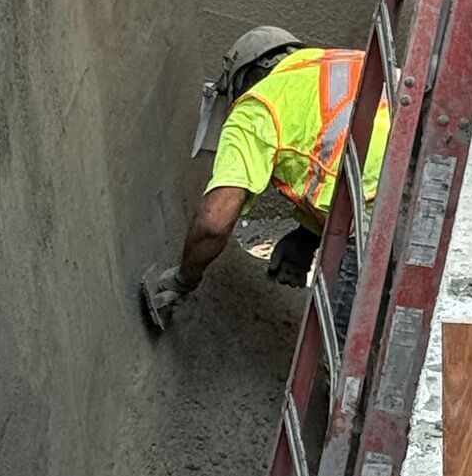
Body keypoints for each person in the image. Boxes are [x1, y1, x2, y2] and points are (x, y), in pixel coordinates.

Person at [142, 26, 391, 334]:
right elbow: (345, 147)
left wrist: (183, 280)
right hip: (429, 181)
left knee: (347, 359)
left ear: (248, 76)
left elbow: (213, 223)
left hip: (379, 211)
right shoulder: (335, 64)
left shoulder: (258, 105)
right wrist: (307, 236)